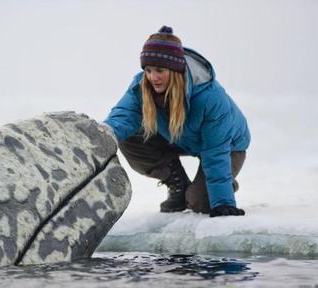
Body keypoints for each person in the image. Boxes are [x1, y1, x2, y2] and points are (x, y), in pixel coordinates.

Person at [103, 26, 250, 217]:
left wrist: (223, 201)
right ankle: (177, 184)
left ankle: (222, 185)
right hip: (181, 137)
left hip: (227, 146)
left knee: (200, 202)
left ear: (175, 70)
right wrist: (101, 136)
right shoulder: (142, 85)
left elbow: (216, 152)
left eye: (159, 70)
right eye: (147, 70)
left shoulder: (210, 98)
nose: (152, 77)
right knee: (129, 136)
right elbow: (123, 116)